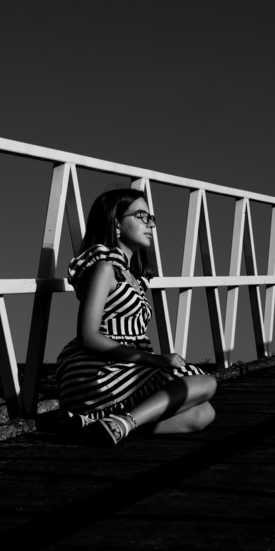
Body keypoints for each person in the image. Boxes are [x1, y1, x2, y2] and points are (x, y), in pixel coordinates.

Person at [55, 188, 216, 445]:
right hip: (97, 371)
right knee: (204, 383)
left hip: (124, 371)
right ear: (116, 223)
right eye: (141, 216)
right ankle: (123, 423)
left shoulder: (135, 279)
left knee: (203, 414)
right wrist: (154, 360)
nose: (151, 224)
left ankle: (103, 425)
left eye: (151, 218)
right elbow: (88, 336)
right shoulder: (105, 268)